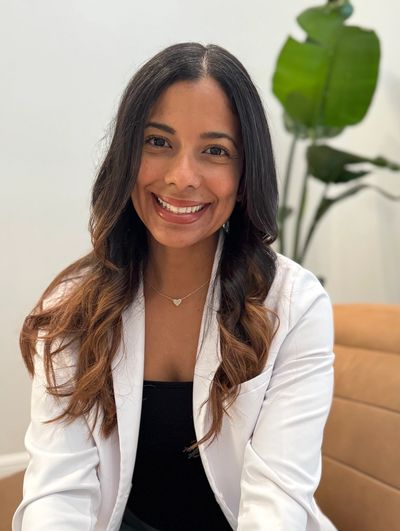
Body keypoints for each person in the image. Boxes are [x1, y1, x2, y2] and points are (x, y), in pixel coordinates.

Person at [12, 42, 337, 531]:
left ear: (245, 175)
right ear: (126, 154)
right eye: (158, 142)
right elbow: (57, 495)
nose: (182, 177)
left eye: (215, 151)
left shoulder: (294, 304)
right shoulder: (73, 307)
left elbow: (278, 504)